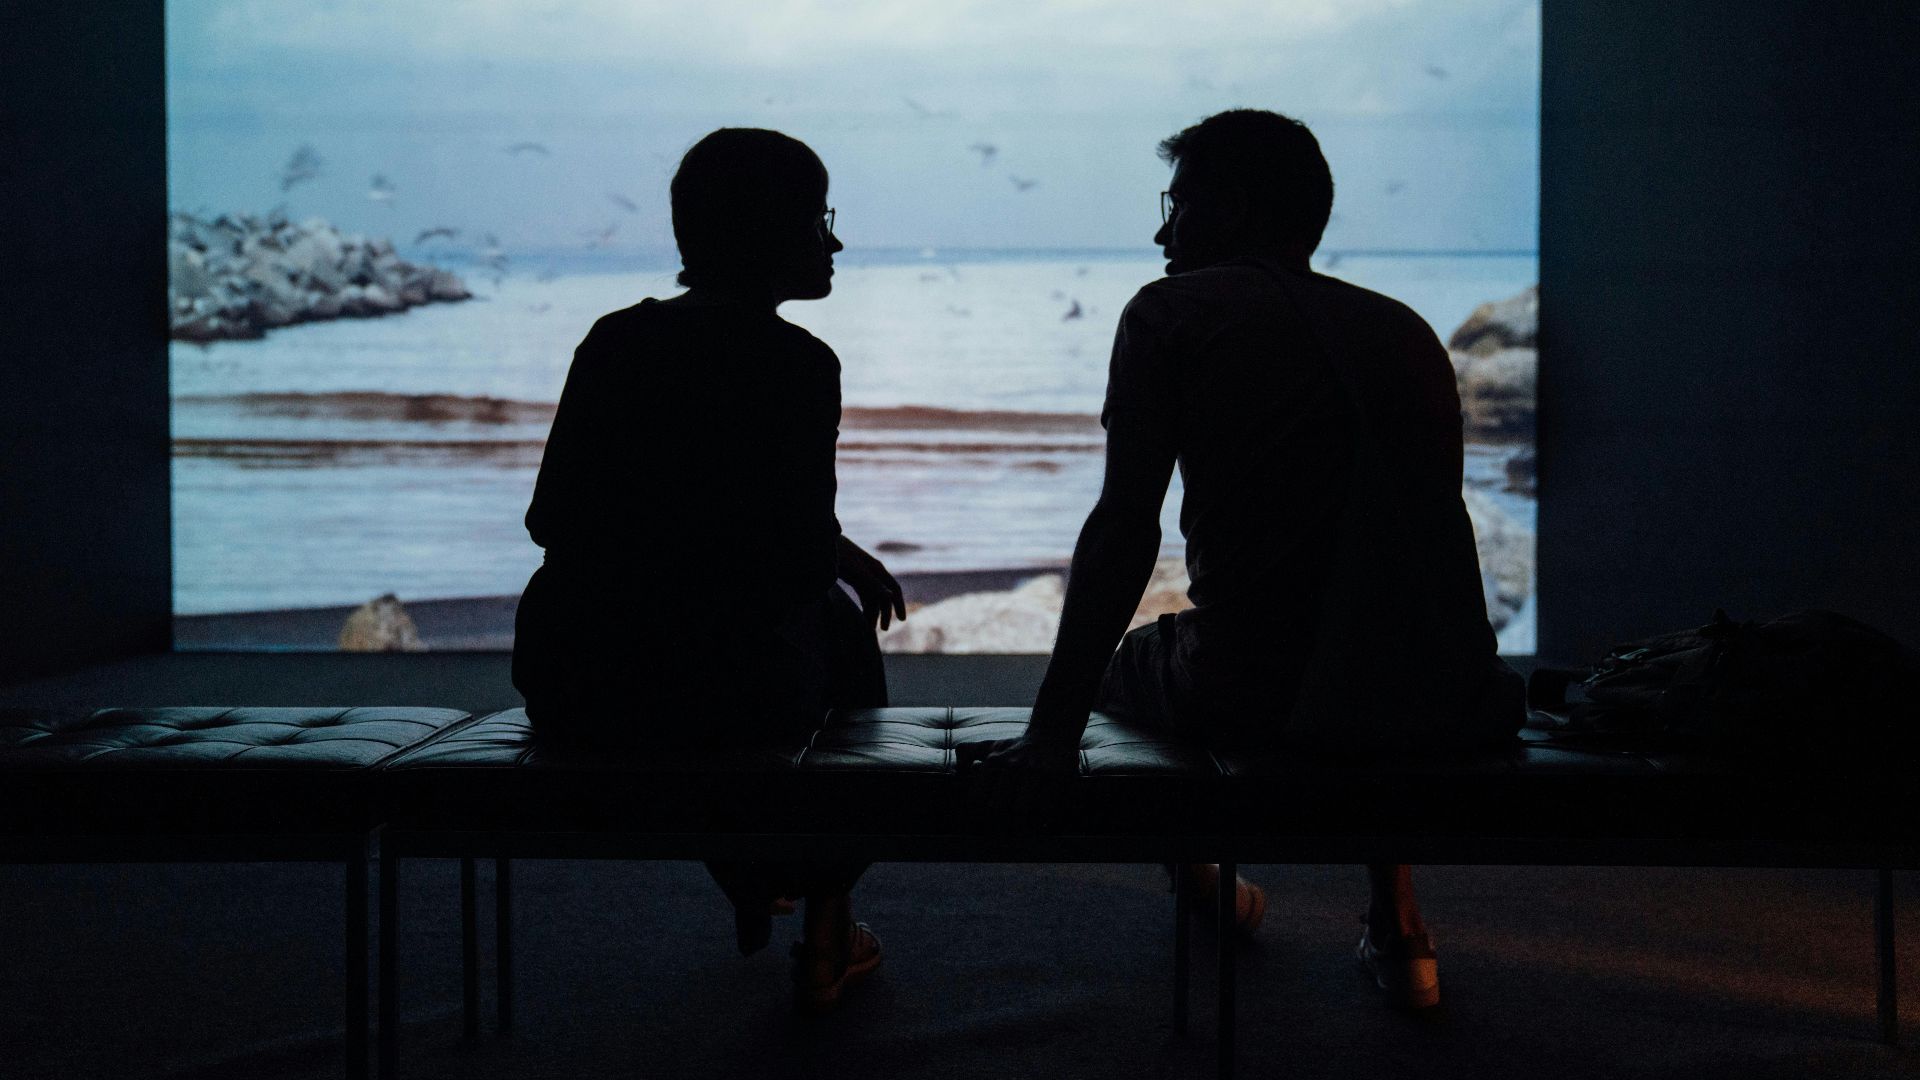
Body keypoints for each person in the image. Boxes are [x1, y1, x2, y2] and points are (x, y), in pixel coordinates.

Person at [957, 110, 1524, 1011]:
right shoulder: (1404, 329)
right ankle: (1398, 919)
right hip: (1445, 691)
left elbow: (1123, 529)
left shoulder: (1172, 312)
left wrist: (1050, 733)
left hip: (1260, 693)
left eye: (1177, 205)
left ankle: (1206, 884)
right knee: (1362, 622)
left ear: (1231, 207)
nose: (1160, 232)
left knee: (1130, 668)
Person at [511, 127, 907, 1013]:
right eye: (819, 221)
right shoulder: (800, 363)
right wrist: (830, 564)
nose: (834, 242)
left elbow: (553, 518)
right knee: (837, 633)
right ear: (776, 233)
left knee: (755, 638)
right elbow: (794, 559)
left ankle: (754, 865)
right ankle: (828, 921)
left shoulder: (614, 340)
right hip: (725, 698)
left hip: (576, 681)